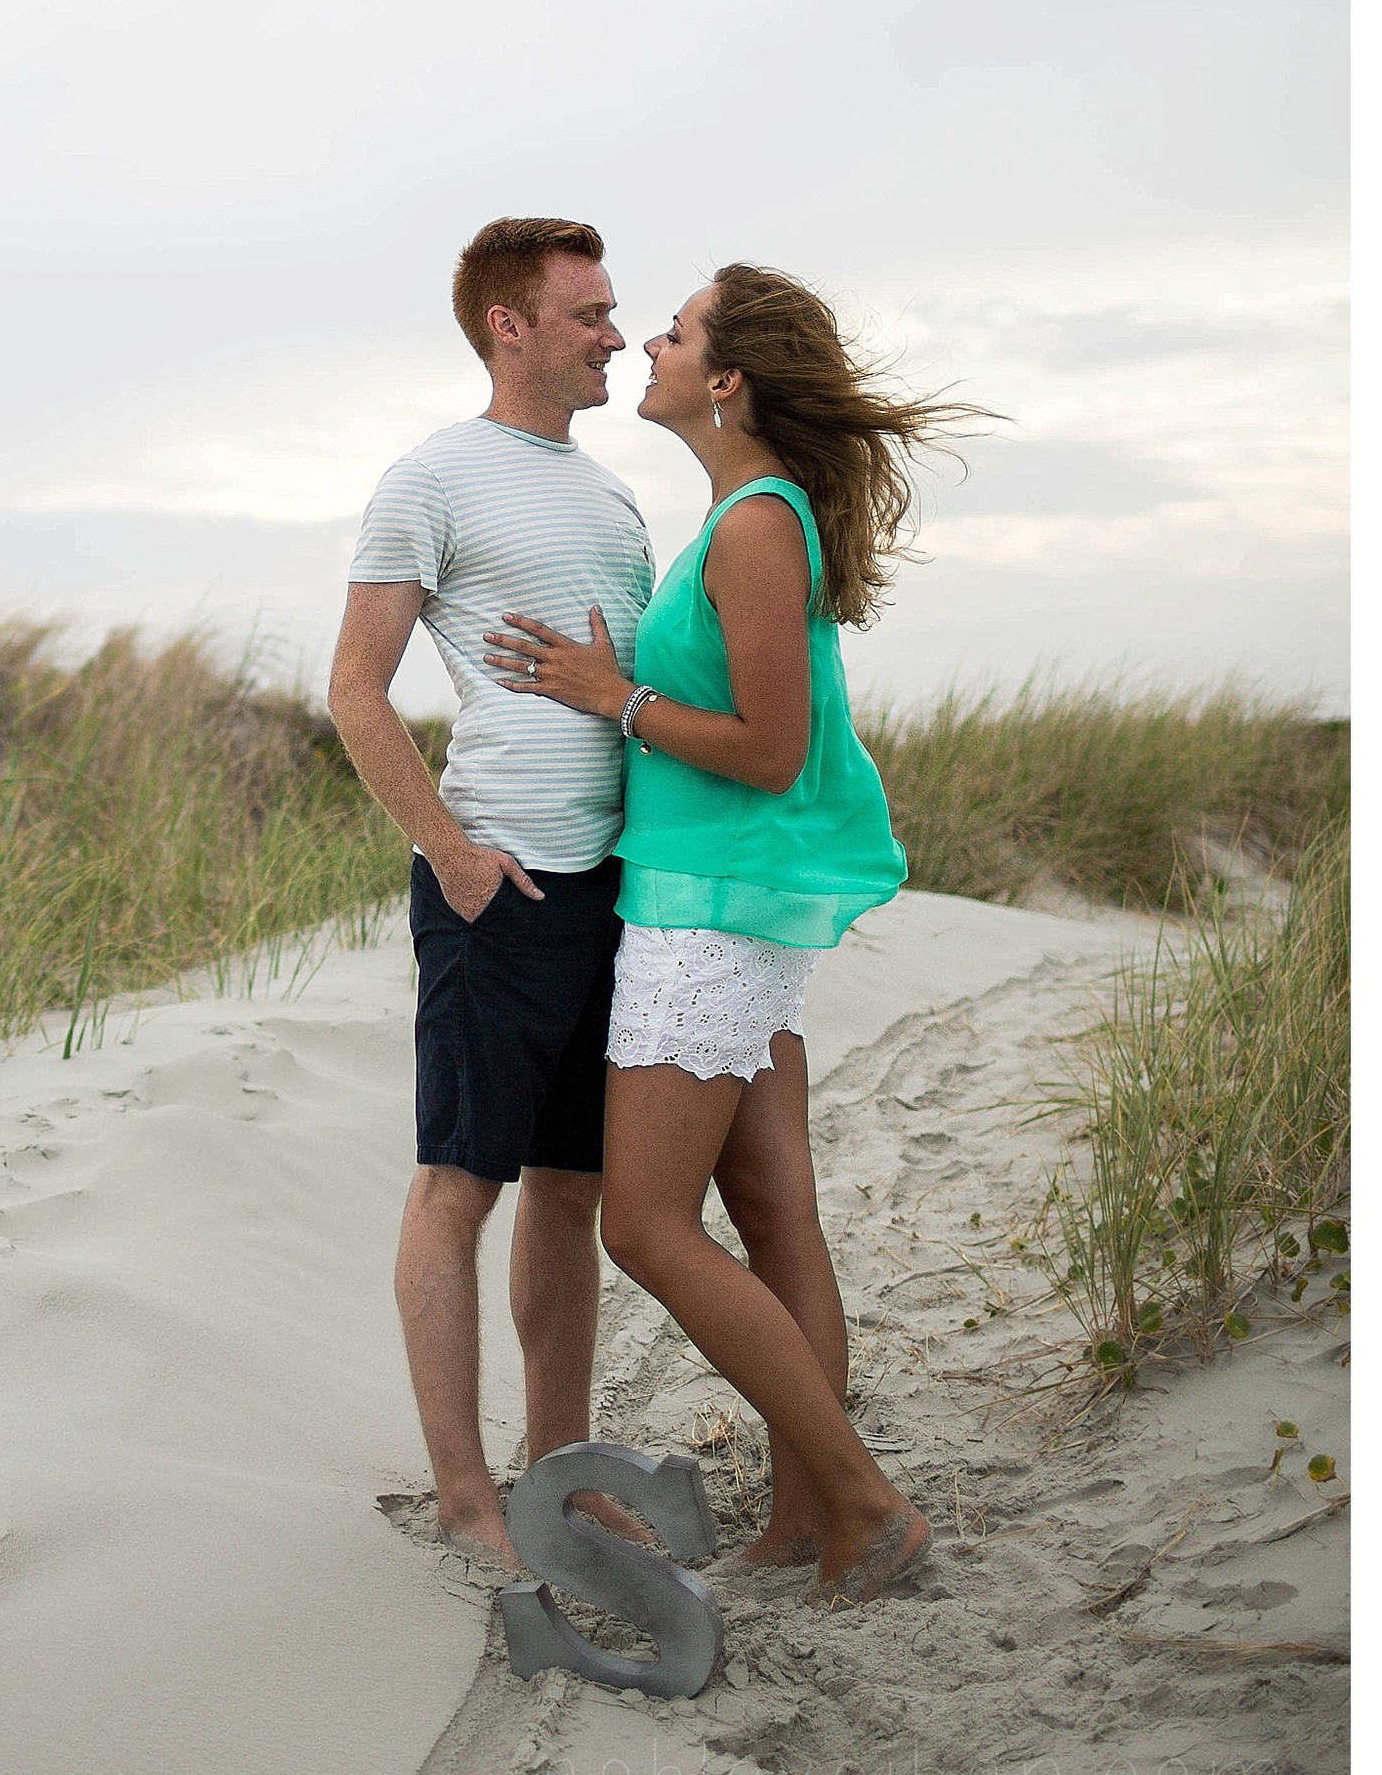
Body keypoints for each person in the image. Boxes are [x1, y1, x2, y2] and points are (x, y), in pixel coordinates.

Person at [484, 262, 973, 1604]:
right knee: (771, 1211)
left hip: (706, 914)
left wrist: (610, 693)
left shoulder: (758, 525)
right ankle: (813, 1519)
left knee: (644, 1223)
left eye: (680, 330)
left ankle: (867, 1503)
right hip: (729, 905)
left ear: (730, 378)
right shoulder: (743, 516)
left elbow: (769, 747)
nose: (651, 338)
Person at [328, 215, 655, 1584]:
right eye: (588, 313)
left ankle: (561, 1476)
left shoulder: (616, 499)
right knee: (461, 1181)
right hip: (498, 884)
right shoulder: (433, 477)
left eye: (615, 309)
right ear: (509, 324)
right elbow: (356, 682)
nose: (615, 336)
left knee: (573, 1192)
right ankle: (466, 1495)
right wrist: (453, 854)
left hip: (614, 893)